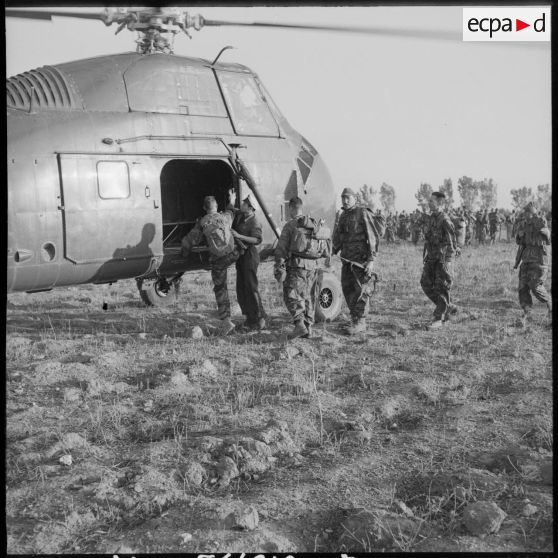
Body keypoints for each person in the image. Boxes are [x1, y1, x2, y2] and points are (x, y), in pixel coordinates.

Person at [181, 192, 239, 335]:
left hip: (218, 260)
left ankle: (226, 321)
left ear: (203, 208)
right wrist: (232, 200)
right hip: (233, 255)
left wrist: (184, 253)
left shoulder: (203, 222)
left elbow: (190, 241)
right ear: (216, 206)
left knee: (220, 288)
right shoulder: (224, 217)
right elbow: (230, 210)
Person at [332, 187, 384, 335]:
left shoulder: (362, 213)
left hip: (360, 261)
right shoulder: (343, 216)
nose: (345, 200)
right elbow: (338, 238)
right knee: (347, 289)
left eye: (348, 197)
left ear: (355, 198)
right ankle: (355, 318)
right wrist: (331, 252)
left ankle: (361, 321)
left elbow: (372, 236)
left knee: (361, 290)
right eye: (343, 198)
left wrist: (371, 260)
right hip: (347, 261)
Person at [274, 197, 321, 338]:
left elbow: (281, 248)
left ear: (292, 208)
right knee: (308, 296)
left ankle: (299, 324)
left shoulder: (291, 225)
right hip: (312, 266)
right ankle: (308, 327)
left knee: (292, 294)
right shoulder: (312, 223)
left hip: (296, 266)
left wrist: (279, 265)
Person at [420, 191, 459, 330]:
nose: (429, 203)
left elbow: (452, 243)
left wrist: (448, 262)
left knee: (441, 287)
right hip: (431, 257)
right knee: (425, 283)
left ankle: (439, 318)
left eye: (432, 201)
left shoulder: (445, 220)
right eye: (429, 201)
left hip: (442, 259)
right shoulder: (432, 218)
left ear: (440, 203)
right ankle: (447, 306)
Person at [231, 194, 266, 330]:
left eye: (245, 203)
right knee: (241, 288)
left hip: (250, 256)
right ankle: (249, 318)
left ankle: (260, 317)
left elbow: (257, 240)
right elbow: (232, 210)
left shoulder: (255, 222)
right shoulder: (241, 216)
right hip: (241, 256)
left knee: (252, 288)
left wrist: (239, 236)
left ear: (251, 208)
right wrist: (230, 199)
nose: (242, 204)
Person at [514, 201, 551, 324]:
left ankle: (550, 303)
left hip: (539, 260)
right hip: (526, 260)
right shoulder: (522, 224)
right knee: (522, 287)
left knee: (535, 286)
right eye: (525, 211)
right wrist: (519, 235)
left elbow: (547, 235)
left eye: (528, 211)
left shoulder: (540, 221)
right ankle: (527, 313)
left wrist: (543, 231)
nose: (526, 214)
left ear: (534, 211)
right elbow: (519, 242)